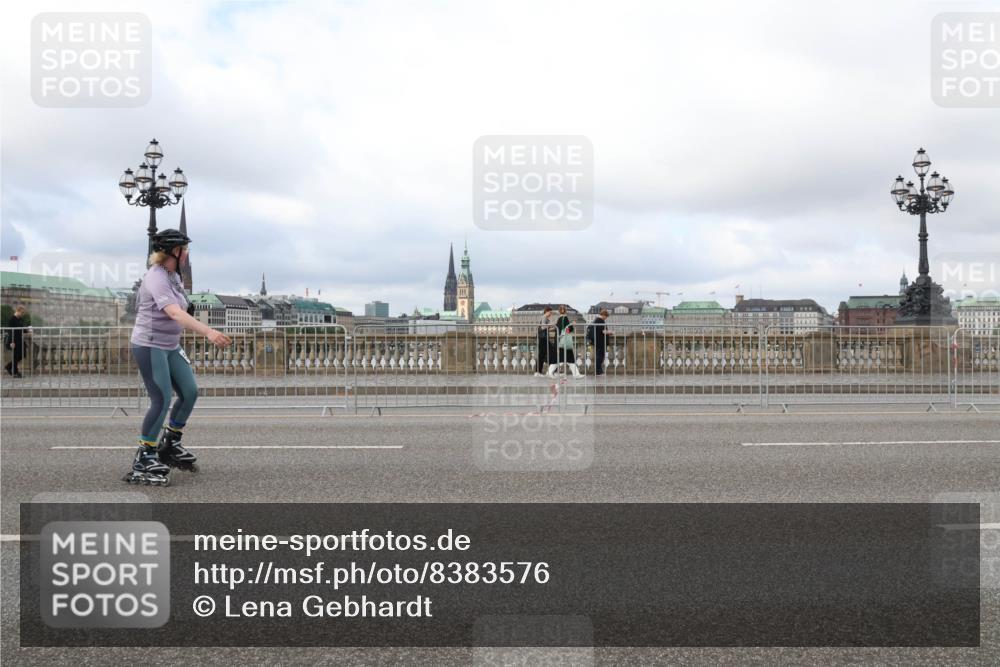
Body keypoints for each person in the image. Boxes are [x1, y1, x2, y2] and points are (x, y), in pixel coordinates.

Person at [126, 228, 231, 486]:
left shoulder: (173, 277)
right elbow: (173, 312)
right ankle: (144, 456)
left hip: (170, 345)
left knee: (190, 392)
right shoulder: (156, 277)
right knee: (161, 399)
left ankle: (170, 444)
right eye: (185, 250)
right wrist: (208, 331)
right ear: (174, 251)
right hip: (150, 345)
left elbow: (183, 305)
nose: (187, 254)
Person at [549, 305, 582, 378]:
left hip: (559, 340)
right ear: (565, 311)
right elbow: (567, 329)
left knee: (559, 358)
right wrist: (572, 325)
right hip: (564, 341)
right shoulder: (565, 318)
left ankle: (576, 374)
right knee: (567, 358)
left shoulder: (559, 319)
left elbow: (559, 329)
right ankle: (576, 374)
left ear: (559, 311)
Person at [586, 308, 614, 376]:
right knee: (600, 356)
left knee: (599, 356)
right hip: (600, 341)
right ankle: (598, 372)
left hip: (597, 341)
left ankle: (599, 371)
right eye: (606, 316)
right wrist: (610, 332)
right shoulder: (600, 320)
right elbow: (603, 331)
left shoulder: (595, 320)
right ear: (604, 315)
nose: (606, 318)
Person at [4, 304, 28, 378]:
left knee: (21, 355)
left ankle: (8, 366)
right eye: (22, 313)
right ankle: (15, 372)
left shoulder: (20, 319)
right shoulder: (12, 319)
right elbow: (10, 331)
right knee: (16, 356)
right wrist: (11, 342)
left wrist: (27, 330)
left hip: (20, 339)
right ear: (18, 310)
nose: (23, 314)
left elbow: (21, 329)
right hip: (14, 340)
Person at [534, 306, 556, 377]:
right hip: (543, 339)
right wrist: (551, 325)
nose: (551, 314)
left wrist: (553, 328)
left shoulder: (545, 318)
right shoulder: (544, 317)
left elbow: (545, 328)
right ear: (547, 311)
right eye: (550, 312)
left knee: (543, 355)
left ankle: (539, 372)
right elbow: (543, 327)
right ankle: (547, 371)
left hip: (544, 338)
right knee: (549, 353)